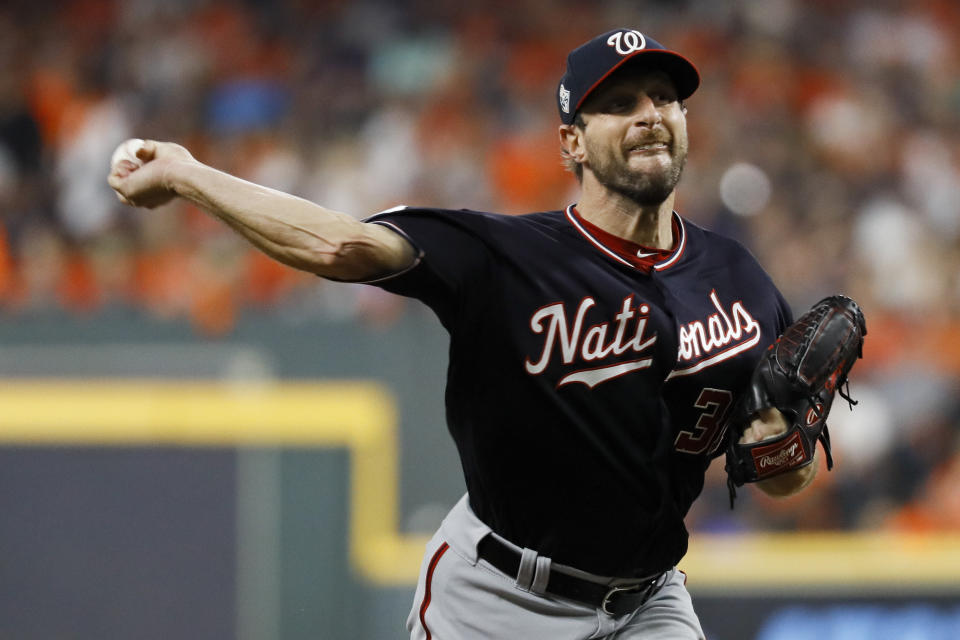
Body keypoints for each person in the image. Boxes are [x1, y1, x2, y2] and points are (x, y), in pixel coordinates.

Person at [110, 28, 818, 640]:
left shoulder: (741, 279)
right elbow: (340, 248)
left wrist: (782, 451)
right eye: (619, 104)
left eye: (664, 98)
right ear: (572, 141)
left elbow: (789, 475)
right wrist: (187, 173)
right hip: (501, 599)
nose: (649, 116)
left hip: (650, 601)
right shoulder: (504, 256)